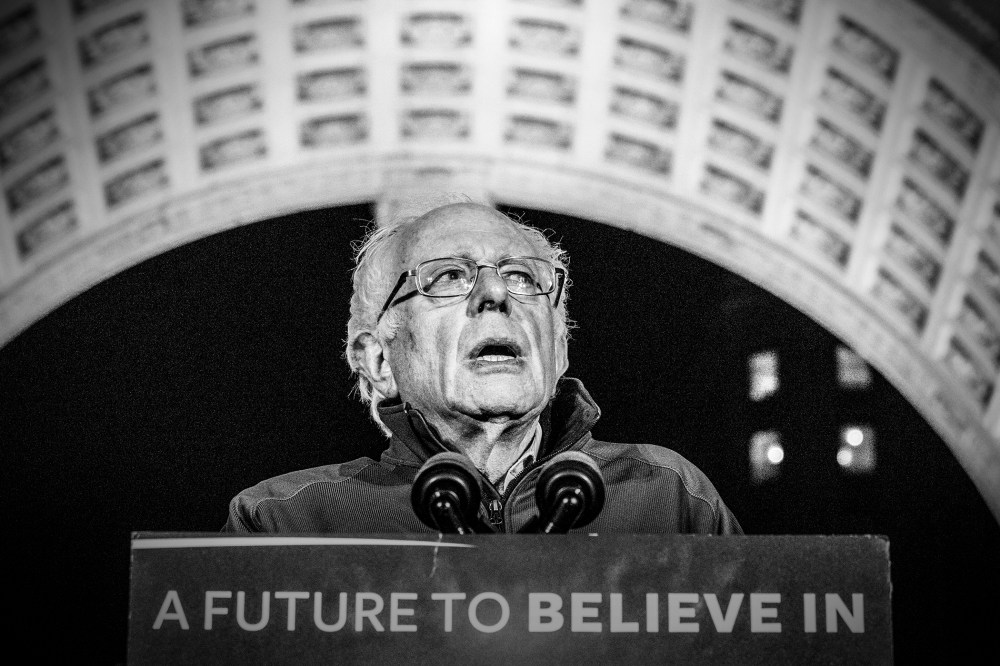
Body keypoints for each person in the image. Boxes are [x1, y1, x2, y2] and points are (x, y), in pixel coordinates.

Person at [224, 201, 742, 534]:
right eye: (449, 276)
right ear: (379, 360)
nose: (495, 293)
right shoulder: (285, 522)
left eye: (522, 277)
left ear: (558, 351)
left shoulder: (671, 498)